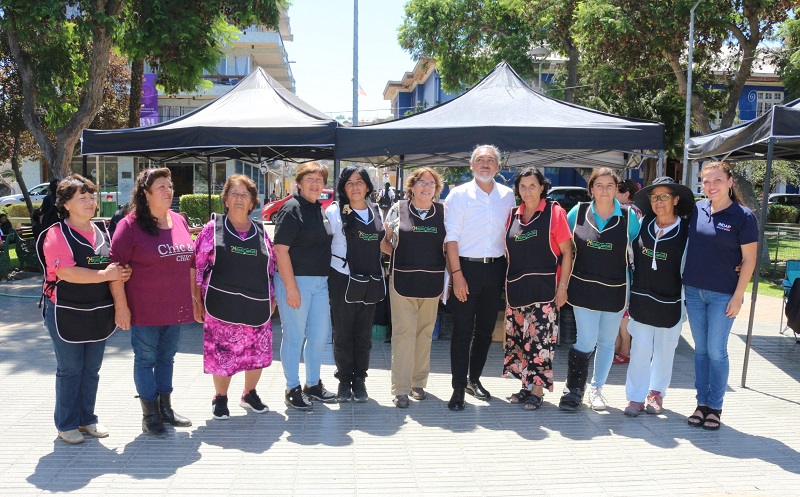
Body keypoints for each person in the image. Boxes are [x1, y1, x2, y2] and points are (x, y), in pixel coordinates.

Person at [38, 174, 131, 444]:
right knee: (70, 369)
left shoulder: (102, 230)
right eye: (83, 198)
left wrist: (122, 274)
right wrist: (105, 274)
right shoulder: (56, 234)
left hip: (98, 312)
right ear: (66, 204)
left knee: (91, 369)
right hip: (65, 312)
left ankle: (86, 419)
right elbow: (66, 272)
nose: (90, 202)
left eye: (92, 197)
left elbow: (114, 270)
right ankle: (66, 424)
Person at [109, 168, 195, 437]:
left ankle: (165, 409)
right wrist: (121, 307)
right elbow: (115, 268)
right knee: (146, 360)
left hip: (175, 307)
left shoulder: (179, 220)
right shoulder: (129, 225)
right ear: (145, 194)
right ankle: (150, 416)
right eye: (161, 187)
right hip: (144, 308)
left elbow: (190, 264)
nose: (168, 191)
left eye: (170, 186)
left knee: (167, 358)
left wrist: (195, 300)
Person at [193, 175, 275, 420]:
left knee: (256, 354)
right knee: (222, 354)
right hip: (221, 305)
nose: (239, 200)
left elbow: (271, 267)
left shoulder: (261, 231)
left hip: (256, 304)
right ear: (226, 200)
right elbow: (196, 267)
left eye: (245, 196)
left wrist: (274, 299)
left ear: (252, 203)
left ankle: (249, 394)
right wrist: (196, 300)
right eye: (234, 194)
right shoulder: (212, 229)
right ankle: (220, 398)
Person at [683, 161, 757, 431]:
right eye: (706, 181)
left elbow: (749, 260)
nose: (711, 186)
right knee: (700, 351)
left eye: (717, 180)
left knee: (716, 350)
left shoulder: (743, 216)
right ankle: (701, 403)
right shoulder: (698, 209)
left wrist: (738, 296)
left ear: (729, 182)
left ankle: (715, 407)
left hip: (723, 294)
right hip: (693, 290)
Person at [560, 167, 641, 412]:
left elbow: (639, 249)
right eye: (599, 185)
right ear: (591, 189)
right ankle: (573, 390)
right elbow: (562, 247)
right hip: (583, 288)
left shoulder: (629, 218)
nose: (604, 190)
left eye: (609, 185)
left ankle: (596, 390)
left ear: (617, 189)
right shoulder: (577, 212)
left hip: (616, 288)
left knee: (606, 343)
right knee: (585, 340)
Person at [444, 144, 516, 411]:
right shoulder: (458, 195)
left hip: (496, 269)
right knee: (462, 332)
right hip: (466, 269)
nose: (485, 164)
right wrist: (457, 275)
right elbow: (451, 238)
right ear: (471, 165)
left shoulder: (508, 196)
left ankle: (474, 379)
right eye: (480, 160)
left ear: (498, 167)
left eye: (491, 161)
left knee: (485, 331)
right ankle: (458, 389)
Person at [503, 167, 573, 410]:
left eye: (532, 185)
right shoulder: (513, 215)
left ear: (542, 187)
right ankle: (525, 386)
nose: (527, 190)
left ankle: (538, 390)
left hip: (545, 291)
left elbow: (567, 252)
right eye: (523, 186)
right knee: (522, 341)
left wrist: (563, 287)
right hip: (517, 290)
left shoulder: (554, 213)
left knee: (540, 342)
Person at [623, 177, 693, 417]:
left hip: (671, 301)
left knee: (665, 351)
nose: (659, 202)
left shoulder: (686, 231)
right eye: (654, 197)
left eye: (665, 196)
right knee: (640, 350)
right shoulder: (642, 224)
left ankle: (656, 394)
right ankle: (634, 397)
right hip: (642, 299)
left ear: (675, 200)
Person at [273, 162, 337, 410]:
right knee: (294, 336)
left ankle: (312, 384)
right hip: (296, 282)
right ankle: (292, 387)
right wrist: (290, 288)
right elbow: (280, 250)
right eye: (309, 179)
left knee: (320, 336)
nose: (315, 184)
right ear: (298, 183)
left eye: (319, 180)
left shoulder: (317, 209)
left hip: (320, 283)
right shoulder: (291, 208)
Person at [381, 167, 446, 409]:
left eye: (431, 183)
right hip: (402, 281)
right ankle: (400, 389)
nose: (426, 187)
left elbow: (449, 246)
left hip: (432, 282)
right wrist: (398, 257)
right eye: (422, 182)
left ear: (436, 189)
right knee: (403, 334)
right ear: (412, 186)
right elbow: (384, 241)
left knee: (425, 333)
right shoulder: (398, 210)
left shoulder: (443, 213)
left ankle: (418, 383)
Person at [325, 166, 385, 403]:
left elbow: (385, 243)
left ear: (368, 186)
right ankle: (343, 380)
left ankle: (360, 380)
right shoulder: (334, 212)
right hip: (343, 279)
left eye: (359, 181)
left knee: (363, 334)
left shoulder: (376, 210)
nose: (355, 187)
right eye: (349, 183)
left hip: (370, 279)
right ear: (343, 188)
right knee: (342, 333)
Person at [613, 178, 643, 365]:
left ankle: (625, 348)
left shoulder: (631, 211)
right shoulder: (627, 210)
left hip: (627, 267)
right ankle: (619, 346)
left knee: (624, 313)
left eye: (617, 190)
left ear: (625, 194)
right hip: (623, 266)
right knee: (619, 312)